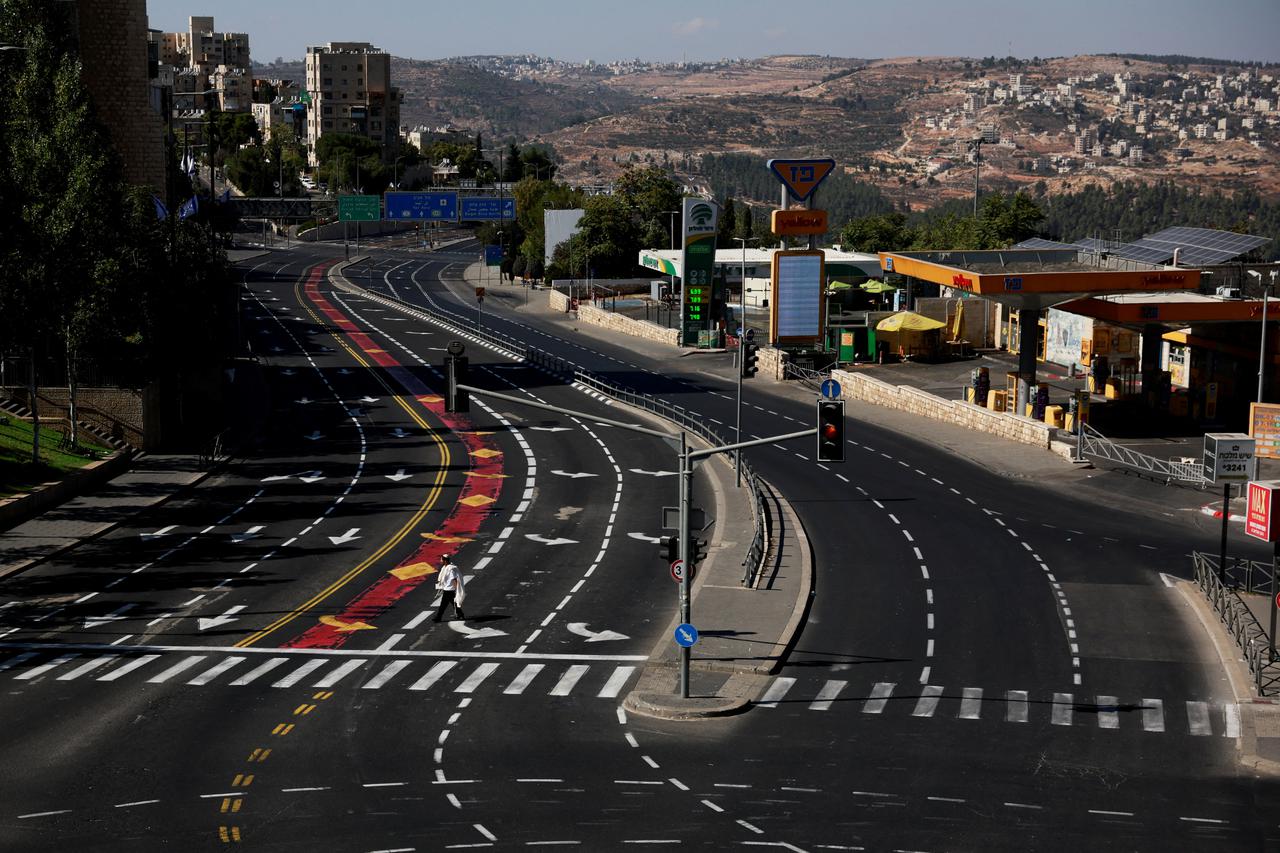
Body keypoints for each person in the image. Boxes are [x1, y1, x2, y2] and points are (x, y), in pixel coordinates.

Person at [432, 553, 466, 622]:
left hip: (450, 590)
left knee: (443, 605)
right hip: (447, 589)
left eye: (442, 559)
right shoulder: (445, 567)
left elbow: (454, 579)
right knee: (453, 603)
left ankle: (438, 617)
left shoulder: (450, 569)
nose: (441, 561)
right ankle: (460, 615)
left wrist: (456, 589)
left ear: (445, 561)